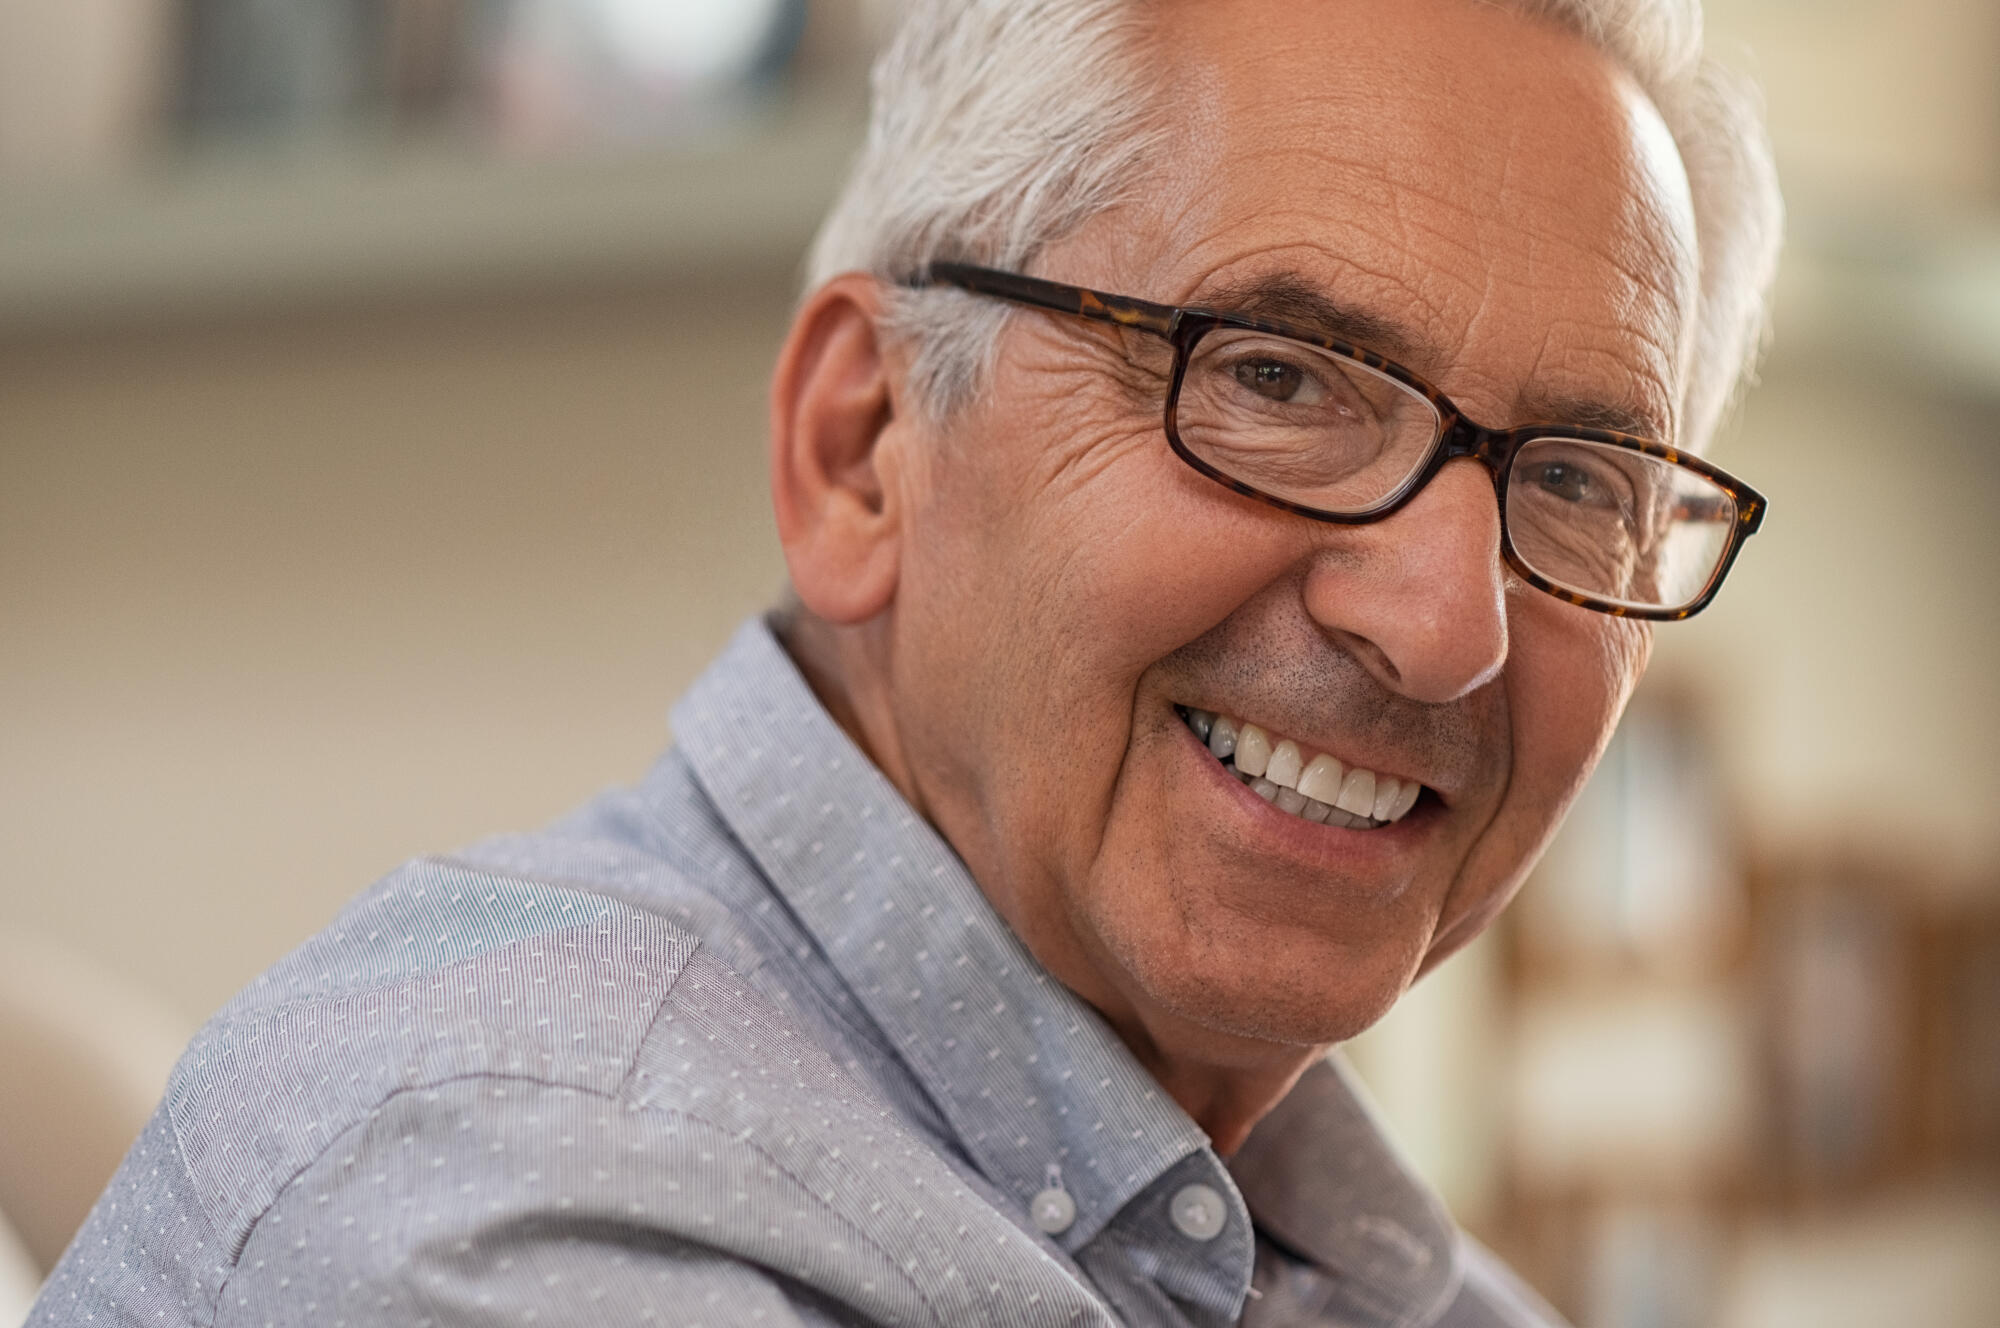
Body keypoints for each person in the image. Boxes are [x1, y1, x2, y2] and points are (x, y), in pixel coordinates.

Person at [30, 1, 1781, 1324]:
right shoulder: (516, 1199)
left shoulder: (1380, 1270)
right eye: (1273, 379)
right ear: (864, 448)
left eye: (1576, 482)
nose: (1444, 623)